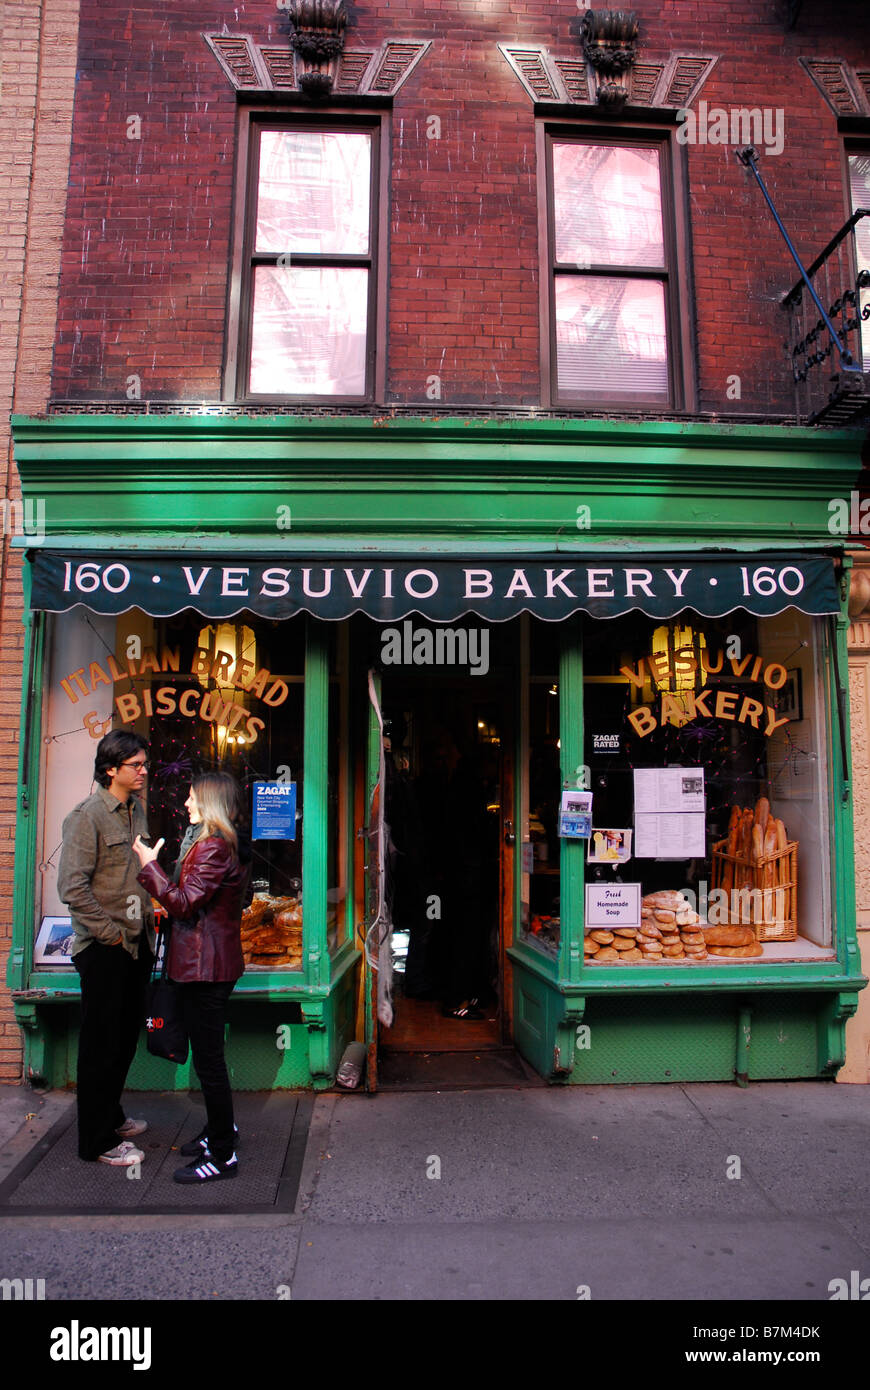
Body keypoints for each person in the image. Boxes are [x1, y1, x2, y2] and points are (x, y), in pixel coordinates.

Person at [133, 771, 246, 1184]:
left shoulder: (212, 847)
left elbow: (182, 904)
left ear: (209, 802)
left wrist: (150, 868)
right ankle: (221, 1130)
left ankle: (223, 1155)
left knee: (210, 1062)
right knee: (208, 1058)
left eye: (192, 797)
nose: (185, 804)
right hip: (205, 965)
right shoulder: (207, 843)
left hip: (206, 969)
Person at [57, 730, 155, 1167]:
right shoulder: (87, 816)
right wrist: (111, 934)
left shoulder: (135, 811)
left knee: (122, 1039)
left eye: (144, 764)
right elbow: (72, 888)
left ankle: (111, 1117)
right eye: (136, 765)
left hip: (137, 943)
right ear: (110, 769)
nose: (144, 771)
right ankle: (94, 1141)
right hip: (105, 947)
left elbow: (134, 871)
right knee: (100, 1046)